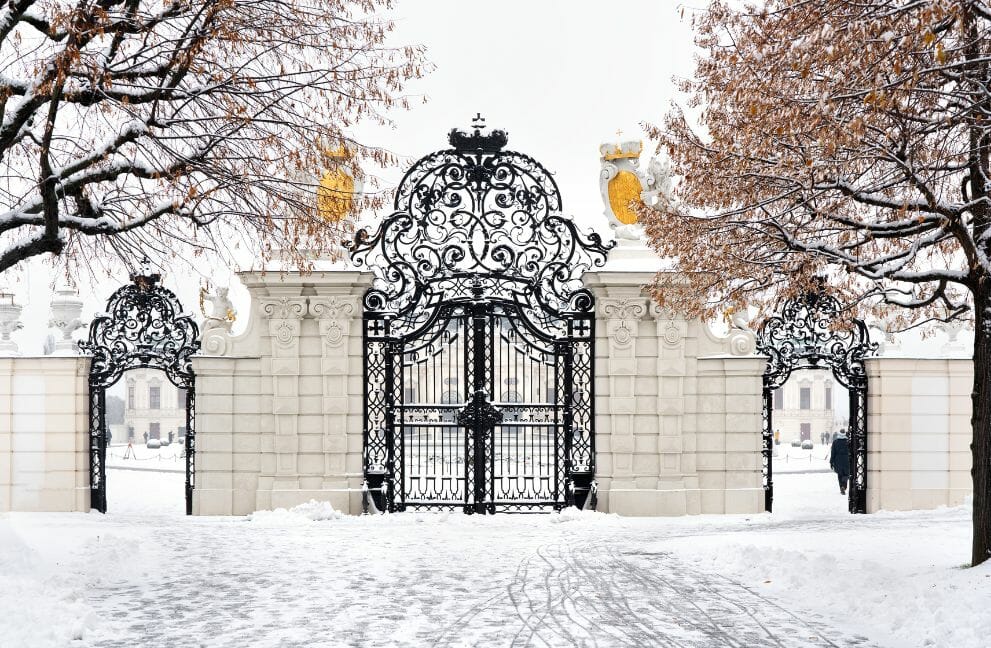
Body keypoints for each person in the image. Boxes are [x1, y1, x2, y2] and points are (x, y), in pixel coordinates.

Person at [830, 428, 851, 495]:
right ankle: (844, 486)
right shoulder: (848, 441)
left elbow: (833, 453)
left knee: (840, 475)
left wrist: (831, 462)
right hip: (846, 459)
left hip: (838, 460)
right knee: (846, 474)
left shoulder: (835, 442)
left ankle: (841, 486)